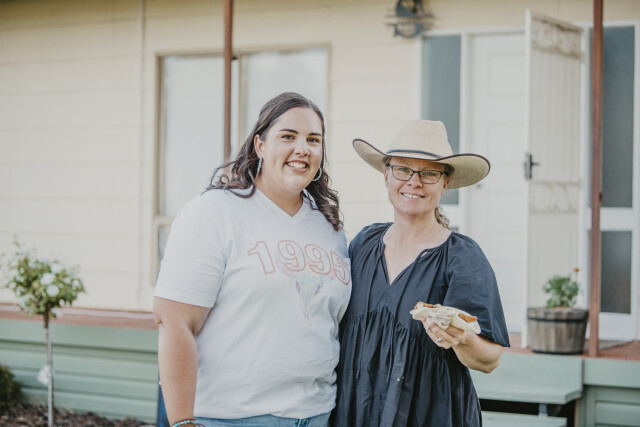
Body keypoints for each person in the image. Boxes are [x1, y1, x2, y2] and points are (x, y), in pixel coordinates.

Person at [153, 92, 351, 427]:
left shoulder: (330, 228)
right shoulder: (215, 213)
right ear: (260, 145)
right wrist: (182, 422)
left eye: (313, 140)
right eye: (288, 136)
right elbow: (174, 322)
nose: (302, 148)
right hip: (232, 417)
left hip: (316, 414)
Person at [332, 120, 510, 427]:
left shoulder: (462, 258)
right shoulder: (362, 245)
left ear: (445, 184)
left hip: (430, 415)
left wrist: (461, 339)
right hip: (357, 412)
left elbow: (490, 359)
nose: (414, 182)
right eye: (403, 170)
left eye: (429, 173)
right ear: (386, 176)